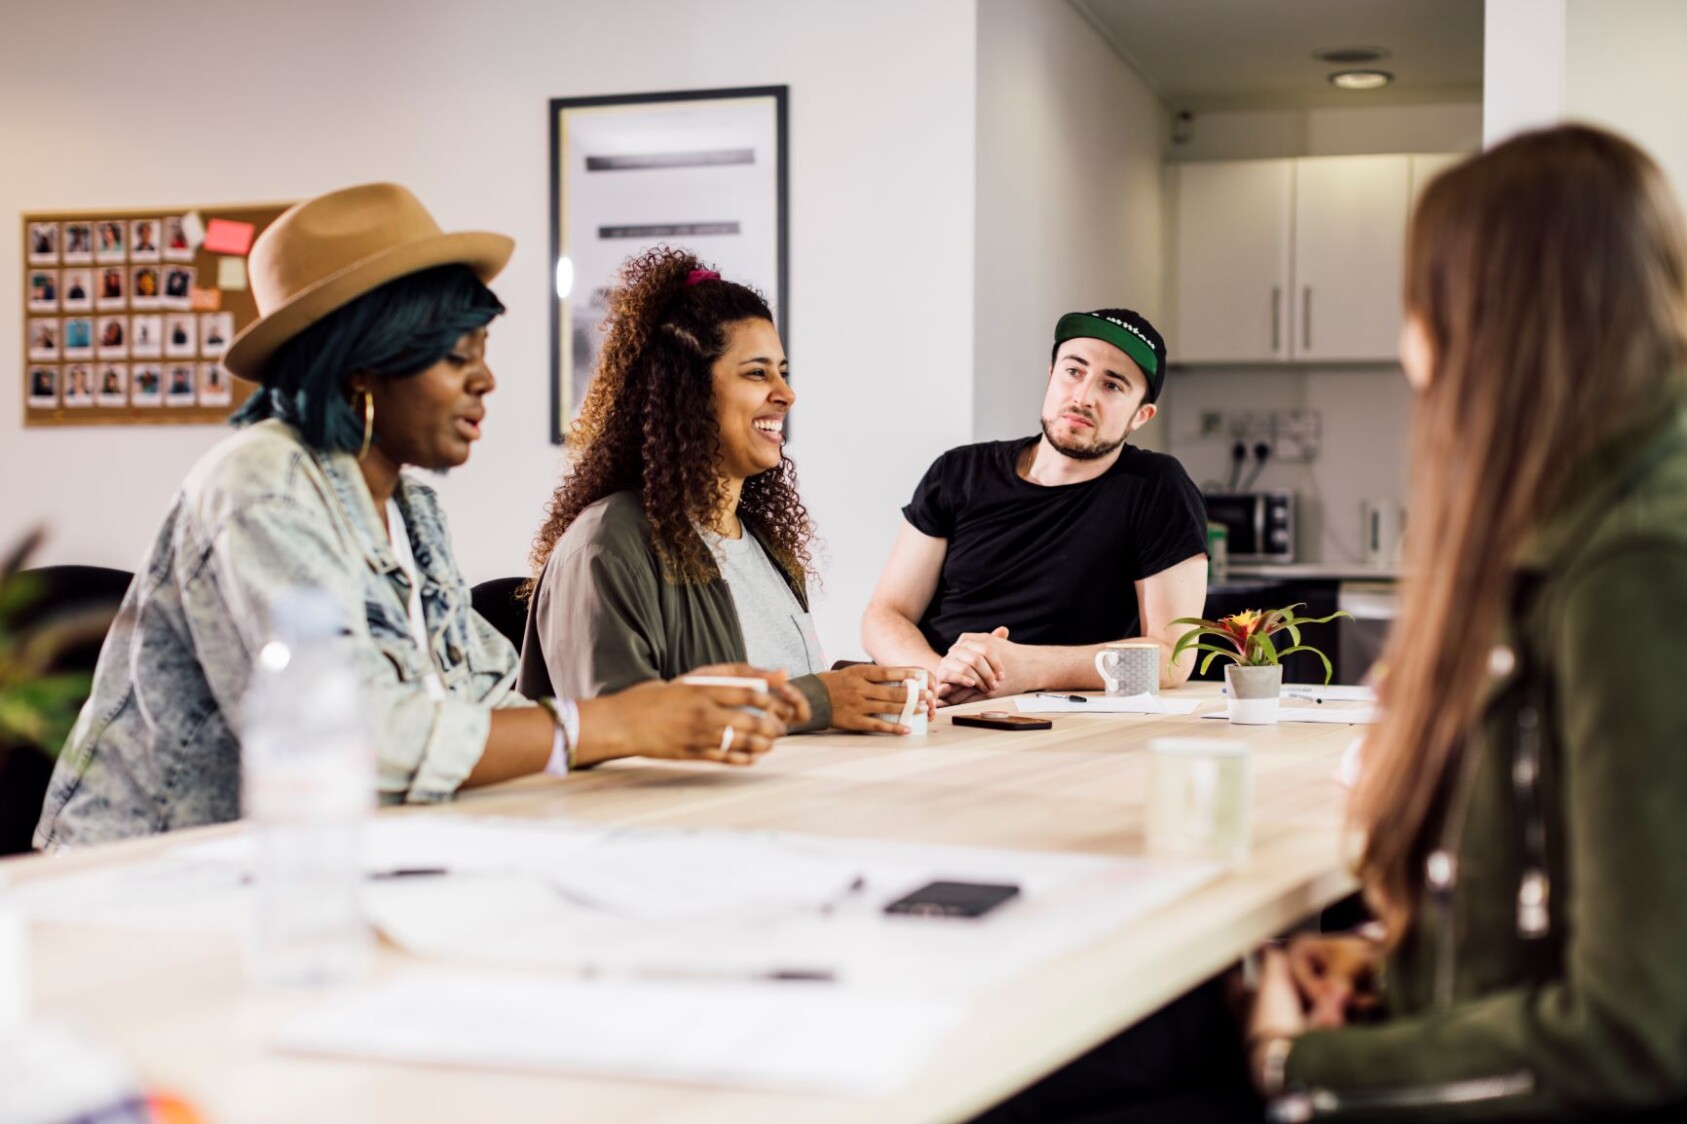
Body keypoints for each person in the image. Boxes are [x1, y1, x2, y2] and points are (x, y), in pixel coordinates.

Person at [36, 183, 805, 851]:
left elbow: (488, 701)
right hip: (159, 885)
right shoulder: (259, 484)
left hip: (329, 864)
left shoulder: (410, 511)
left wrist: (664, 712)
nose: (487, 380)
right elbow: (347, 737)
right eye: (457, 356)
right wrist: (619, 724)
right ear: (365, 362)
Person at [1238, 124, 1687, 1120]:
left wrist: (1295, 1066)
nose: (1408, 346)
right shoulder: (1592, 523)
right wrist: (1398, 967)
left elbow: (1635, 1031)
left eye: (1417, 302)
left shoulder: (1636, 567)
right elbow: (1563, 896)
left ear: (1486, 317)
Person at [521, 247, 932, 735]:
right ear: (688, 391)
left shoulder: (761, 544)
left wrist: (858, 690)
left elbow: (778, 689)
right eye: (757, 373)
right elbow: (616, 730)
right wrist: (819, 698)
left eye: (784, 372)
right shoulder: (607, 546)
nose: (786, 393)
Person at [861, 309, 1208, 703]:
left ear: (1140, 416)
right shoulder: (959, 471)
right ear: (1050, 375)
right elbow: (884, 614)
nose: (1083, 397)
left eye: (1111, 386)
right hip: (931, 704)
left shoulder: (1156, 488)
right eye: (1074, 372)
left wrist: (1027, 668)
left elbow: (1172, 660)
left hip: (1058, 721)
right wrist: (940, 674)